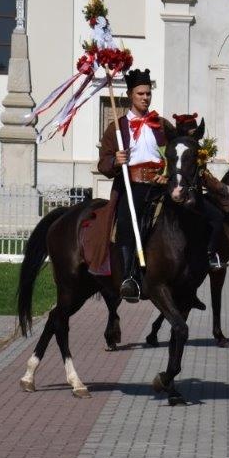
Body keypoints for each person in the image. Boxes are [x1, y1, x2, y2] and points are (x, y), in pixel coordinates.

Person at [97, 68, 174, 302]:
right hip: (132, 187)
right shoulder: (117, 128)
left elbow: (174, 154)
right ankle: (129, 278)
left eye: (148, 93)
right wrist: (115, 160)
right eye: (140, 93)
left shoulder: (161, 125)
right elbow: (103, 163)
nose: (145, 98)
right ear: (130, 94)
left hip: (160, 186)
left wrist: (167, 174)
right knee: (128, 225)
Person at [170, 112, 229, 271]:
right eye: (192, 129)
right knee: (217, 218)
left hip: (176, 193)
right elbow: (204, 176)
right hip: (187, 196)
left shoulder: (174, 145)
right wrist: (222, 188)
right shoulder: (191, 149)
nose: (195, 131)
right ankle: (210, 255)